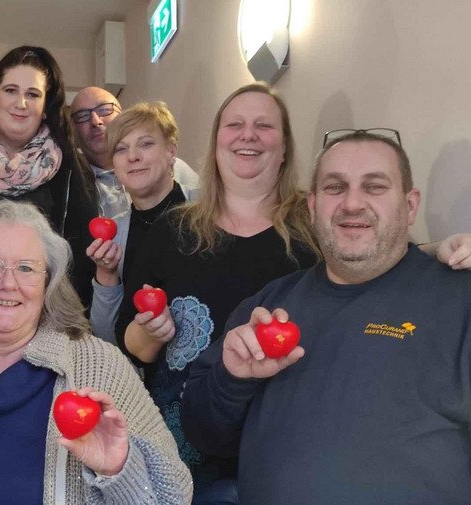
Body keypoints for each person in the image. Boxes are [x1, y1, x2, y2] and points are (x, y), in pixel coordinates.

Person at [119, 84, 471, 504]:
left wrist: (436, 252)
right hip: (192, 451)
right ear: (315, 203)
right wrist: (174, 347)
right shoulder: (259, 291)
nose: (352, 204)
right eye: (336, 188)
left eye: (374, 186)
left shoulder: (443, 297)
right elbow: (139, 349)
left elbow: (378, 257)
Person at [0, 200, 193, 505]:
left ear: (48, 283)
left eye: (26, 268)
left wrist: (120, 471)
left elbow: (174, 496)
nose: (8, 283)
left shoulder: (98, 367)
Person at [0, 46, 99, 306]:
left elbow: (82, 261)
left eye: (33, 94)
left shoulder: (71, 166)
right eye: (10, 90)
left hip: (46, 315)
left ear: (46, 107)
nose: (20, 103)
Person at [87, 102, 196, 343]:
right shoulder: (114, 235)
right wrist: (106, 274)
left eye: (145, 144)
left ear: (171, 152)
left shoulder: (209, 210)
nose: (133, 157)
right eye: (121, 149)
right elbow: (107, 336)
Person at [70, 86, 199, 220]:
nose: (96, 121)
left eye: (105, 109)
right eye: (82, 116)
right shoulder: (72, 184)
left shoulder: (176, 169)